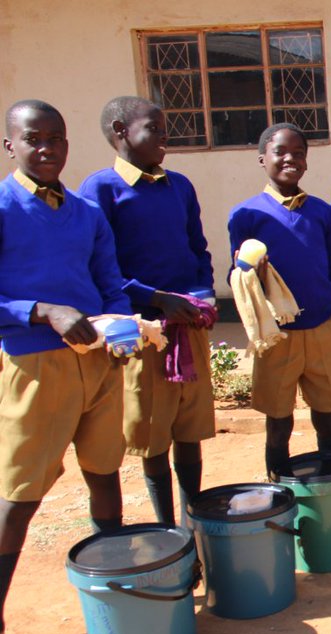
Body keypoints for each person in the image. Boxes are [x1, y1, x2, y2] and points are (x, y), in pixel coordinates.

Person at [0, 100, 133, 634]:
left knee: (105, 473)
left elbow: (108, 282)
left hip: (96, 363)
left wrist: (125, 328)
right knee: (19, 496)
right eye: (35, 139)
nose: (49, 149)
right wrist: (40, 311)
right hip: (33, 369)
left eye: (58, 138)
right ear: (11, 146)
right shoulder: (3, 208)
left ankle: (120, 590)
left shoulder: (84, 213)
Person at [79, 96, 215, 527]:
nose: (164, 137)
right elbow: (100, 266)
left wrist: (201, 295)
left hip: (186, 322)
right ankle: (167, 529)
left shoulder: (180, 186)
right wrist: (155, 299)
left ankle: (194, 519)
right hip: (143, 330)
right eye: (153, 128)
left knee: (188, 428)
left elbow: (197, 248)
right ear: (121, 131)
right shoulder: (100, 190)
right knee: (153, 432)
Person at [228, 123, 331, 480]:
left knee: (327, 415)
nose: (291, 159)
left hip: (321, 327)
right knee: (279, 420)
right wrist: (253, 272)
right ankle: (280, 492)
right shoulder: (246, 216)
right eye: (281, 153)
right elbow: (241, 278)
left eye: (299, 153)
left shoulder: (321, 212)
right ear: (262, 159)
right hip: (279, 334)